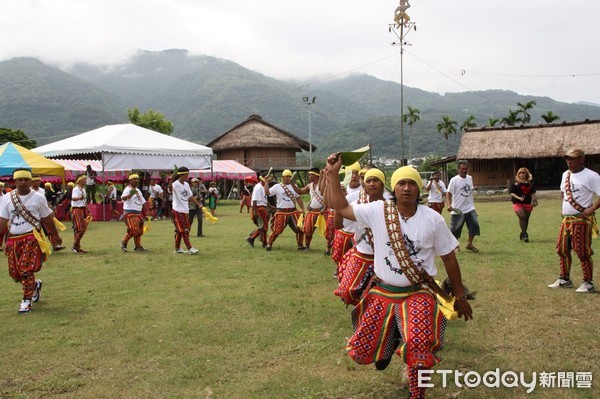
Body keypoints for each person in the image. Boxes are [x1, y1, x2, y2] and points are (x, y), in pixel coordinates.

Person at [326, 155, 472, 399]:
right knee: (363, 351)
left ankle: (418, 394)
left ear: (418, 188)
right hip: (383, 291)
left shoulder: (433, 219)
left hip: (418, 292)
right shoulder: (378, 210)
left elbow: (449, 258)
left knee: (419, 345)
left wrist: (460, 296)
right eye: (401, 183)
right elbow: (341, 208)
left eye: (412, 183)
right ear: (393, 188)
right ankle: (391, 341)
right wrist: (331, 174)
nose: (407, 188)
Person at [0, 169, 63, 314]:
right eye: (20, 179)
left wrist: (55, 235)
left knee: (25, 269)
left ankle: (26, 301)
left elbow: (47, 218)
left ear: (30, 181)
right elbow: (3, 220)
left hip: (31, 237)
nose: (23, 182)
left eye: (26, 179)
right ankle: (34, 286)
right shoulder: (7, 198)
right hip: (13, 240)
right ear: (14, 181)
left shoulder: (38, 197)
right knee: (14, 273)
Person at [549, 148, 600, 293]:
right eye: (567, 159)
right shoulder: (565, 175)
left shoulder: (591, 176)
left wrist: (591, 209)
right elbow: (562, 192)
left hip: (581, 219)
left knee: (582, 251)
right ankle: (564, 279)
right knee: (562, 249)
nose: (569, 162)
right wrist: (563, 208)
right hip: (566, 220)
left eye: (572, 159)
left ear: (582, 159)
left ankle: (587, 282)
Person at [334, 168, 385, 306]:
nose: (372, 183)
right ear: (365, 185)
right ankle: (365, 305)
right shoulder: (356, 203)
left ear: (383, 184)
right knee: (346, 292)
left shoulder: (392, 205)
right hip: (362, 255)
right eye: (369, 180)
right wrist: (340, 201)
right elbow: (338, 224)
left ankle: (371, 308)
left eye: (376, 180)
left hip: (385, 257)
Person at [264, 170, 305, 251]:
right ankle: (269, 244)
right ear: (283, 177)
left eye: (290, 176)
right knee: (277, 231)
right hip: (281, 212)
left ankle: (300, 245)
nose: (289, 178)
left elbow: (298, 198)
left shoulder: (294, 186)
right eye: (287, 176)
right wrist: (266, 182)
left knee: (300, 228)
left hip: (293, 211)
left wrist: (302, 209)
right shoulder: (277, 186)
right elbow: (267, 193)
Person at [446, 160, 480, 252]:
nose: (464, 171)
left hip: (470, 208)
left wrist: (472, 204)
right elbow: (448, 193)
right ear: (458, 170)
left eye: (466, 169)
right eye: (462, 169)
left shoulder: (470, 178)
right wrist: (449, 205)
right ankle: (455, 245)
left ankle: (469, 244)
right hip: (458, 209)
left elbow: (469, 192)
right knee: (455, 229)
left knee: (474, 225)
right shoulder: (454, 180)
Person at [291, 167, 327, 251]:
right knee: (307, 230)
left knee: (327, 232)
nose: (309, 176)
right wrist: (292, 183)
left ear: (316, 175)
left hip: (323, 211)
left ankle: (328, 248)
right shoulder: (309, 185)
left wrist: (325, 208)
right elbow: (300, 191)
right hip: (312, 212)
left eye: (311, 175)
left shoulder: (323, 184)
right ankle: (307, 246)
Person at [170, 166, 202, 255]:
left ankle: (177, 249)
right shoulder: (175, 184)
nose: (187, 176)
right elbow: (169, 190)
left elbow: (190, 197)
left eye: (187, 174)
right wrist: (171, 179)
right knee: (184, 230)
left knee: (181, 230)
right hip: (177, 210)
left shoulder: (187, 185)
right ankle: (190, 248)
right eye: (185, 174)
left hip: (185, 210)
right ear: (181, 175)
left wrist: (198, 205)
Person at [120, 174, 149, 252]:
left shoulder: (138, 190)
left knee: (140, 230)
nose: (136, 180)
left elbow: (143, 201)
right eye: (134, 179)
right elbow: (123, 198)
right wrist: (129, 195)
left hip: (138, 213)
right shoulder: (127, 189)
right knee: (134, 230)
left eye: (137, 179)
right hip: (130, 213)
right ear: (130, 181)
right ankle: (124, 241)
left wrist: (147, 211)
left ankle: (138, 246)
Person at [509, 167, 537, 242]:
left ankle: (523, 233)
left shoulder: (530, 182)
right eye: (520, 173)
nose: (521, 174)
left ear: (526, 174)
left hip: (528, 203)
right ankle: (525, 234)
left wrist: (533, 200)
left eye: (523, 173)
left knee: (526, 219)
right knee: (522, 216)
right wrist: (518, 198)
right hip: (517, 203)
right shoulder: (515, 182)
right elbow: (511, 192)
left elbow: (533, 192)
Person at [246, 173, 270, 248]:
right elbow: (254, 200)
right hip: (259, 208)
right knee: (263, 227)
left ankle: (263, 242)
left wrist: (270, 206)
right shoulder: (258, 187)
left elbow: (265, 199)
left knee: (264, 227)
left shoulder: (264, 187)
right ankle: (252, 238)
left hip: (263, 208)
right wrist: (255, 212)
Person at [71, 174, 90, 253]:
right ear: (79, 181)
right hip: (77, 210)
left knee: (81, 229)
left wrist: (88, 210)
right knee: (80, 229)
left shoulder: (83, 189)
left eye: (85, 179)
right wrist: (79, 198)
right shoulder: (76, 189)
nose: (85, 180)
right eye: (84, 179)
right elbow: (73, 198)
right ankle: (75, 246)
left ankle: (77, 247)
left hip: (82, 209)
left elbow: (84, 202)